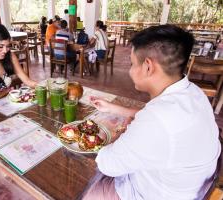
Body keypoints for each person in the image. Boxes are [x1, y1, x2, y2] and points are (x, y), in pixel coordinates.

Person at [83, 25, 221, 199]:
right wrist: (112, 108)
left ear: (148, 66)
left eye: (132, 64)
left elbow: (106, 164)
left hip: (151, 193)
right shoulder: (194, 92)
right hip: (188, 186)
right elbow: (154, 116)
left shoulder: (156, 121)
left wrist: (115, 133)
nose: (130, 70)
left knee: (86, 185)